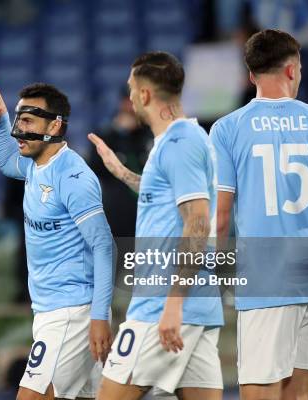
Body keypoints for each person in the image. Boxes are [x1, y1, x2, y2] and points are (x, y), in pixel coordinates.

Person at [210, 29, 308, 400]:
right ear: (293, 70)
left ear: (250, 76)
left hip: (266, 273)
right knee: (299, 391)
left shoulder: (226, 129)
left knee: (259, 387)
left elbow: (221, 214)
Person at [88, 52, 223, 400]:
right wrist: (119, 171)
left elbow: (197, 221)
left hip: (161, 305)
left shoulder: (180, 144)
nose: (130, 95)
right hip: (196, 307)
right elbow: (162, 196)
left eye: (133, 88)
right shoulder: (177, 141)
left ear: (145, 95)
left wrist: (173, 305)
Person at [0, 75, 114, 400]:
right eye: (19, 119)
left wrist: (98, 317)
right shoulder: (36, 166)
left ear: (53, 127)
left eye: (27, 120)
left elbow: (104, 246)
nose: (18, 130)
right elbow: (8, 162)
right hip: (50, 311)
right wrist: (0, 117)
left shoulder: (74, 177)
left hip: (72, 313)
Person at [87, 88, 154, 238]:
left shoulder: (149, 133)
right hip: (118, 210)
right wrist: (121, 133)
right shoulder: (105, 135)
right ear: (122, 103)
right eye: (129, 102)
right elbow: (95, 167)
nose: (132, 107)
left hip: (147, 209)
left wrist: (131, 135)